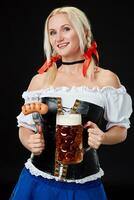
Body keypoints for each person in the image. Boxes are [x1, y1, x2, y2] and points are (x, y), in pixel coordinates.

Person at [10, 6, 132, 200]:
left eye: (66, 29)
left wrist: (104, 137)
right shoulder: (40, 81)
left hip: (84, 187)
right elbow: (24, 127)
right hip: (37, 182)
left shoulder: (106, 80)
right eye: (52, 32)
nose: (58, 38)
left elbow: (120, 130)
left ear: (84, 32)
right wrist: (28, 141)